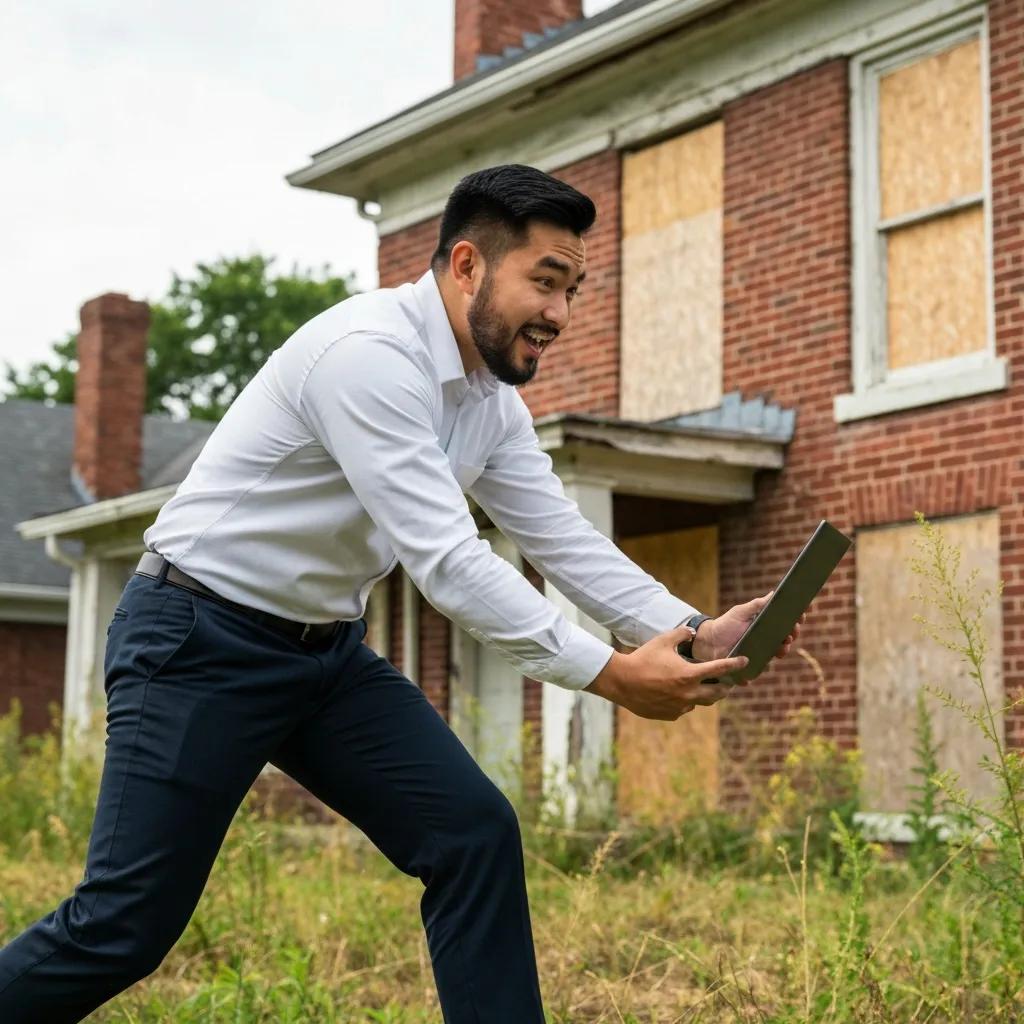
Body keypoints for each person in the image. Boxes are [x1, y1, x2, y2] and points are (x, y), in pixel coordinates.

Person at [0, 164, 801, 1022]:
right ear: (467, 266)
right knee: (125, 924)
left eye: (573, 289)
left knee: (472, 836)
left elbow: (559, 535)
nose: (561, 315)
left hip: (321, 652)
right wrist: (610, 674)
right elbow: (450, 563)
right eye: (545, 282)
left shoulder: (489, 402)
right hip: (196, 637)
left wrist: (686, 627)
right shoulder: (369, 357)